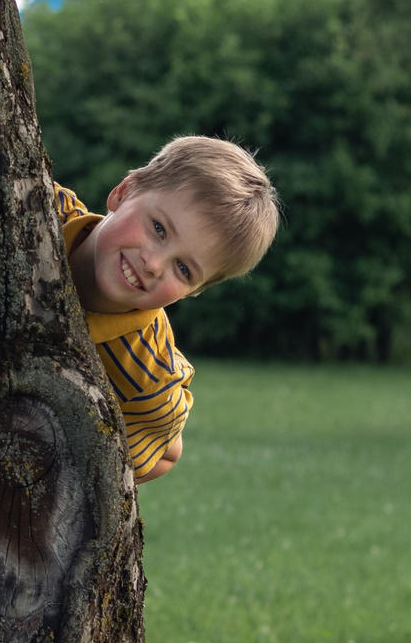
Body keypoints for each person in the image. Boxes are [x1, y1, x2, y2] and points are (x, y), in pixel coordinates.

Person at [53, 135, 279, 483]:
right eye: (158, 228)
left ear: (194, 291)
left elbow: (168, 453)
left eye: (184, 270)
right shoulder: (37, 208)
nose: (154, 264)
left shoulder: (147, 377)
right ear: (123, 191)